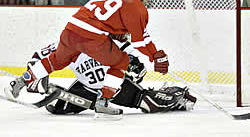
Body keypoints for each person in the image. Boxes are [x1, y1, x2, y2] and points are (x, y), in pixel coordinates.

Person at [5, 0, 169, 114]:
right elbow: (140, 41)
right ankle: (103, 102)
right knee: (121, 62)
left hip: (71, 29)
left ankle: (21, 81)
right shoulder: (137, 7)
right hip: (92, 37)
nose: (148, 0)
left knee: (56, 60)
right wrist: (155, 56)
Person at [25, 41, 197, 115]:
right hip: (87, 88)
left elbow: (138, 68)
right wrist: (35, 78)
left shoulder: (108, 39)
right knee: (58, 108)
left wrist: (135, 67)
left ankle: (176, 97)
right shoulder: (67, 43)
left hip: (115, 86)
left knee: (148, 102)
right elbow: (37, 57)